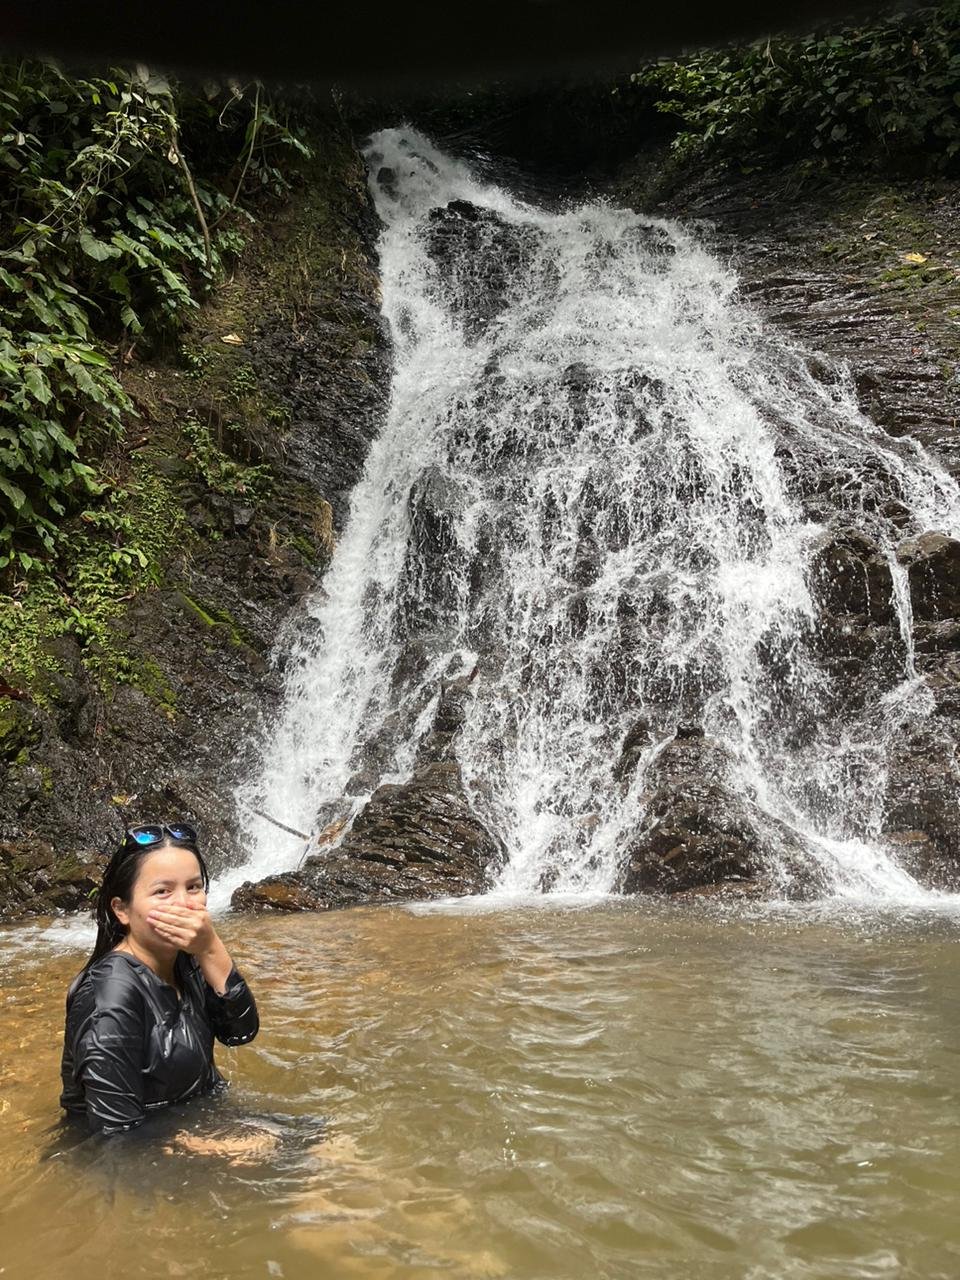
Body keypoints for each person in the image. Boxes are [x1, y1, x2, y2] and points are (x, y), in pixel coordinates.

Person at [60, 822, 260, 1136]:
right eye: (162, 892)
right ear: (122, 910)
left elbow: (240, 1032)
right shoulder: (110, 994)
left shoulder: (187, 961)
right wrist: (207, 1144)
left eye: (193, 887)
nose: (184, 905)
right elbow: (114, 1134)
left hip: (195, 1119)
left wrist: (210, 948)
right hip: (138, 1147)